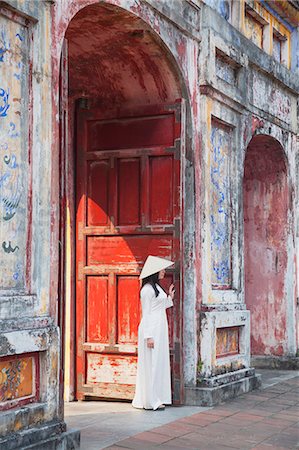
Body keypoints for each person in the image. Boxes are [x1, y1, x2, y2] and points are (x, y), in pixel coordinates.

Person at [132, 255, 175, 411]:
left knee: (158, 363)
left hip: (160, 327)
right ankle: (150, 401)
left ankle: (157, 396)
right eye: (162, 269)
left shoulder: (156, 288)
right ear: (154, 271)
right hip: (151, 329)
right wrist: (148, 336)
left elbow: (161, 306)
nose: (163, 272)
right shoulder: (147, 290)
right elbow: (147, 313)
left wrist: (169, 296)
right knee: (152, 364)